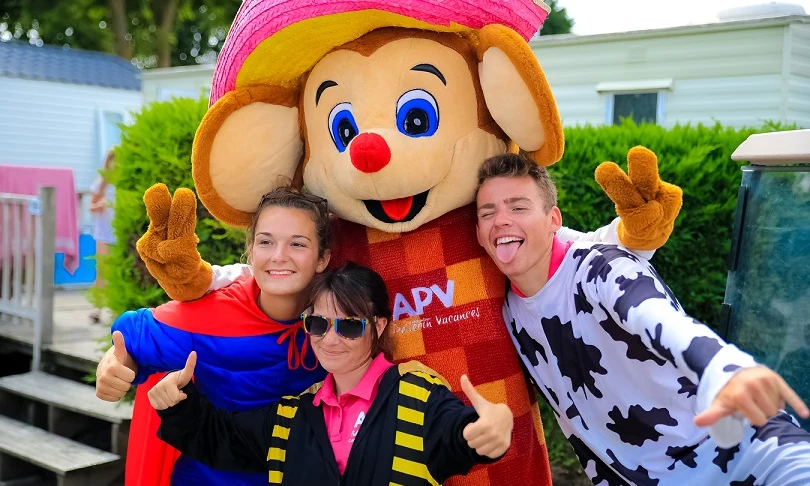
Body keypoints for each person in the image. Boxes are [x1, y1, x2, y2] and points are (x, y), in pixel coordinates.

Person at [474, 152, 810, 485]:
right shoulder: (506, 314)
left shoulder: (602, 267)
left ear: (554, 220)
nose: (502, 220)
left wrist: (724, 368)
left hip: (747, 451)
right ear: (477, 232)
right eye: (488, 212)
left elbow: (658, 318)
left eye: (518, 207)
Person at [149, 261, 513, 485]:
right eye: (318, 323)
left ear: (380, 326)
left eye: (350, 326)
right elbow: (220, 440)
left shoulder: (417, 394)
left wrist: (492, 428)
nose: (331, 339)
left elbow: (457, 434)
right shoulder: (292, 414)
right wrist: (176, 404)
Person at [95, 185, 332, 486]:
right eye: (265, 242)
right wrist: (112, 366)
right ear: (250, 250)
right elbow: (131, 338)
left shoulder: (339, 322)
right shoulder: (212, 314)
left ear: (322, 258)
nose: (279, 256)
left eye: (297, 244)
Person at [89, 149, 117, 323]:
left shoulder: (126, 183)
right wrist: (99, 205)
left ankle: (115, 309)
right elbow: (91, 206)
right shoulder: (102, 183)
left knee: (118, 272)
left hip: (119, 233)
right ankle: (97, 308)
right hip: (104, 233)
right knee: (102, 270)